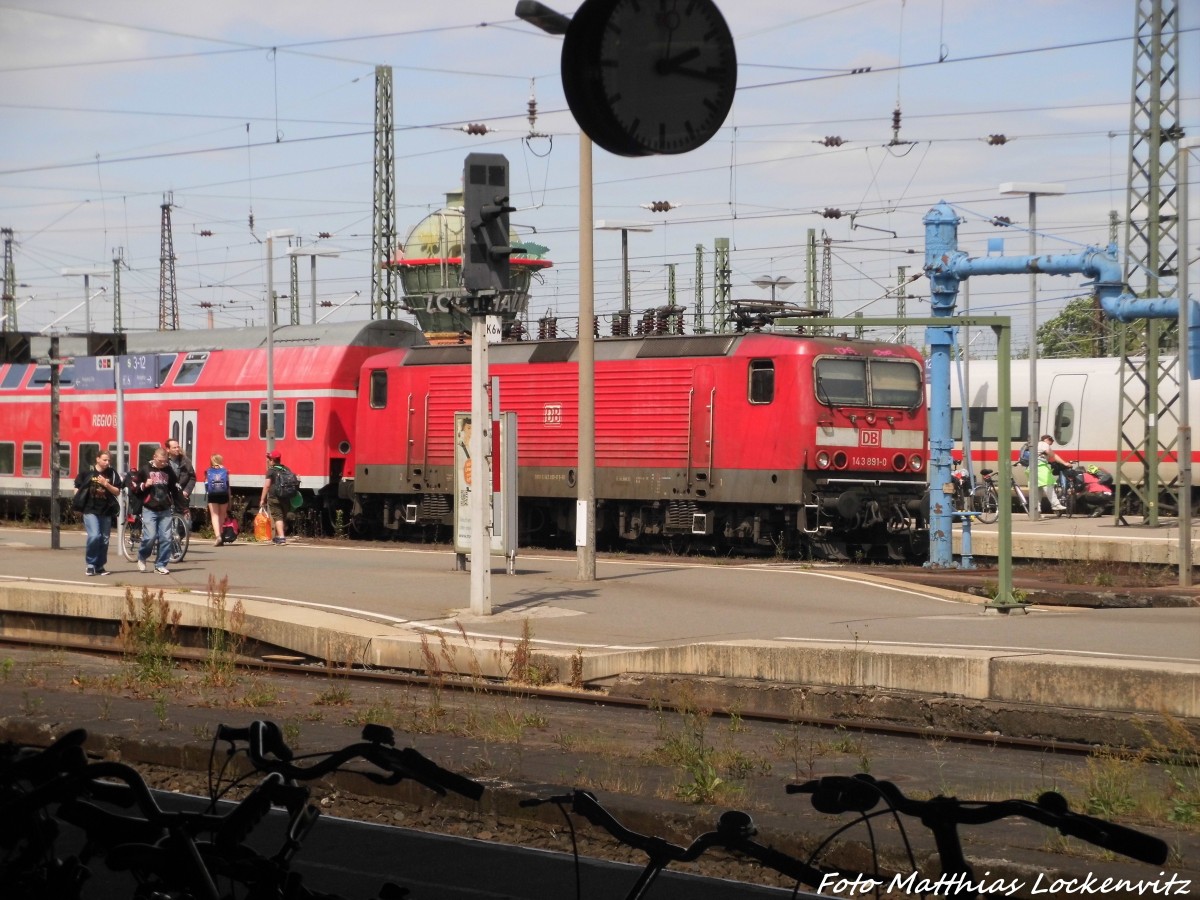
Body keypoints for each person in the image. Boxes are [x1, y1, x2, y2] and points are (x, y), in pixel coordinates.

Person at [132, 447, 183, 574]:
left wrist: (182, 506)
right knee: (150, 536)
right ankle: (142, 557)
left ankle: (160, 564)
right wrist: (144, 485)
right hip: (150, 508)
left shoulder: (168, 470)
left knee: (166, 538)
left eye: (165, 461)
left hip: (165, 508)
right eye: (161, 461)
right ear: (154, 457)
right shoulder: (145, 469)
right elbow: (134, 487)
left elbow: (174, 488)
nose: (163, 464)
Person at [73, 451, 122, 576]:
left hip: (106, 510)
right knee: (94, 536)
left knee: (104, 539)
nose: (107, 463)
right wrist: (78, 501)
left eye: (109, 460)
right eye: (105, 460)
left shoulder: (112, 473)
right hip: (90, 509)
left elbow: (117, 491)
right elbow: (77, 487)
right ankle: (90, 564)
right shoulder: (87, 472)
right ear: (97, 459)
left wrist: (106, 484)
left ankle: (100, 566)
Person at [165, 438, 197, 527]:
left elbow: (192, 477)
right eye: (174, 447)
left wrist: (186, 491)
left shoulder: (185, 461)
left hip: (181, 496)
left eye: (178, 447)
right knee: (168, 523)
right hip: (167, 496)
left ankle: (180, 537)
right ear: (168, 449)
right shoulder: (164, 462)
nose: (177, 449)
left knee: (186, 525)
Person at [259, 450, 288, 545]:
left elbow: (267, 486)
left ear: (272, 460)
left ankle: (282, 537)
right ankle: (279, 536)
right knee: (282, 517)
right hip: (285, 497)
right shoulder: (286, 469)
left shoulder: (271, 471)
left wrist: (262, 499)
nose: (267, 460)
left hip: (274, 497)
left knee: (278, 517)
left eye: (269, 459)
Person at [204, 452, 231, 547]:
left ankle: (218, 536)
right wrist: (229, 499)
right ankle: (221, 533)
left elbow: (206, 485)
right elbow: (228, 486)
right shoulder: (225, 470)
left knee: (214, 515)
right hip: (223, 494)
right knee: (222, 515)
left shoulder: (208, 471)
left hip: (212, 495)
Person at [1036, 434, 1067, 512]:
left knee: (1038, 488)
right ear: (1046, 439)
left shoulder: (1036, 445)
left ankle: (1036, 509)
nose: (1051, 443)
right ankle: (1055, 504)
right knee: (1048, 484)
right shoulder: (1043, 444)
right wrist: (1065, 463)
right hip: (1040, 467)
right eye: (1051, 441)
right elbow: (1053, 455)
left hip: (1031, 468)